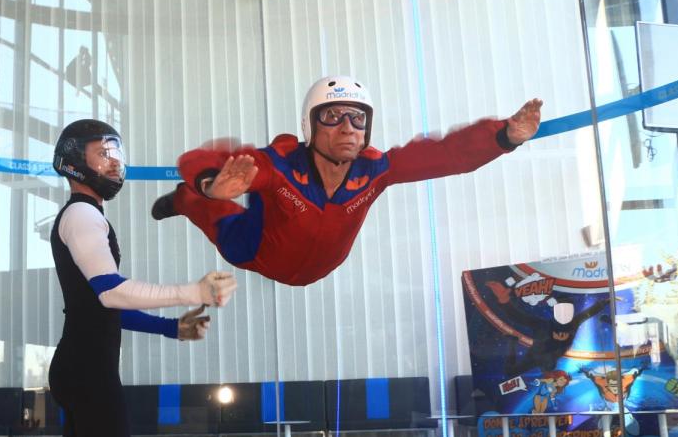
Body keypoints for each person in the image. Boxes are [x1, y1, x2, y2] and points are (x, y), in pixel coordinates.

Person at [45, 119, 237, 437]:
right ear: (73, 161)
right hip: (89, 373)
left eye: (116, 152)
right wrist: (193, 290)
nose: (115, 162)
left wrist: (172, 328)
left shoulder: (83, 216)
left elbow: (104, 307)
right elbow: (111, 292)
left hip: (77, 367)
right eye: (103, 153)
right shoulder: (82, 215)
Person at [151, 75, 543, 286]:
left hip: (319, 265)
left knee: (242, 188)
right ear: (310, 124)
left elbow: (444, 155)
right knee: (221, 212)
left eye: (357, 118)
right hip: (259, 251)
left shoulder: (375, 171)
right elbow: (203, 159)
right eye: (332, 116)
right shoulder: (280, 164)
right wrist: (209, 184)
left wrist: (503, 136)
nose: (347, 128)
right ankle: (185, 200)